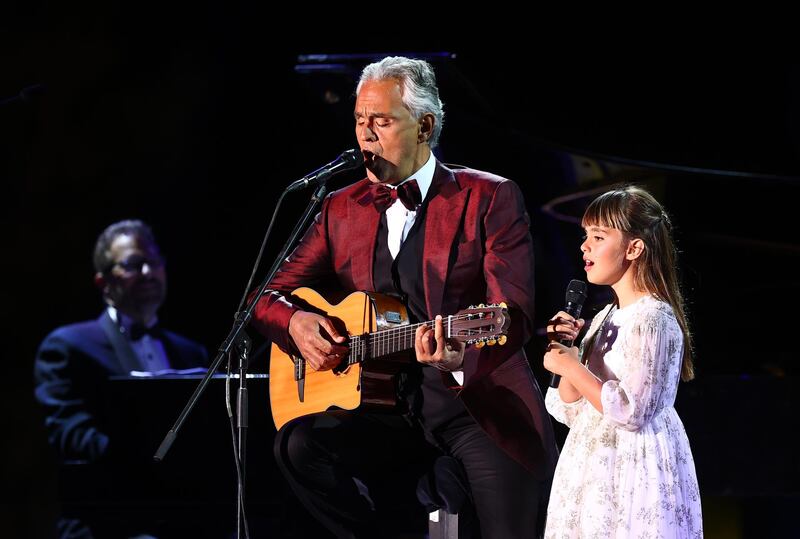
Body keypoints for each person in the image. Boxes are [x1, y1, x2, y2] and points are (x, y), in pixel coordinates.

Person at [249, 56, 558, 538]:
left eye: (382, 121)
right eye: (359, 120)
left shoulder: (488, 197)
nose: (365, 134)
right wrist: (295, 323)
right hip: (382, 411)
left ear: (425, 126)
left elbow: (511, 315)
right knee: (298, 444)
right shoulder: (339, 208)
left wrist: (459, 354)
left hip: (475, 407)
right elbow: (266, 296)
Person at [542, 185, 703, 537]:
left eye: (598, 236)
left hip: (635, 470)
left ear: (634, 248)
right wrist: (568, 352)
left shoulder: (653, 318)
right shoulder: (603, 318)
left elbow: (632, 411)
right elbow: (569, 408)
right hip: (593, 466)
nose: (585, 246)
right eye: (586, 236)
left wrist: (573, 366)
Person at [34, 219, 208, 537]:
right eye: (133, 264)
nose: (147, 273)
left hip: (186, 519)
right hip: (110, 522)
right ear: (103, 282)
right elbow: (71, 435)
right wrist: (148, 462)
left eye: (154, 262)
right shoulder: (68, 347)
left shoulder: (192, 353)